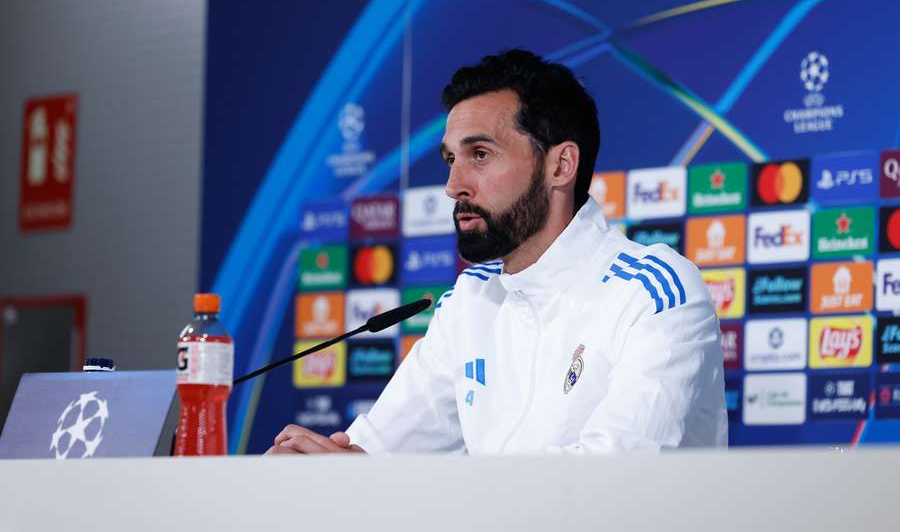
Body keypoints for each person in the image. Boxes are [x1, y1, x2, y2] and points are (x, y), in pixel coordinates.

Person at [266, 49, 727, 455]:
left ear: (560, 165)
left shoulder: (653, 291)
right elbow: (379, 453)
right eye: (450, 159)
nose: (453, 186)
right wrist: (321, 470)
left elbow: (611, 476)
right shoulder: (469, 301)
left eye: (480, 155)